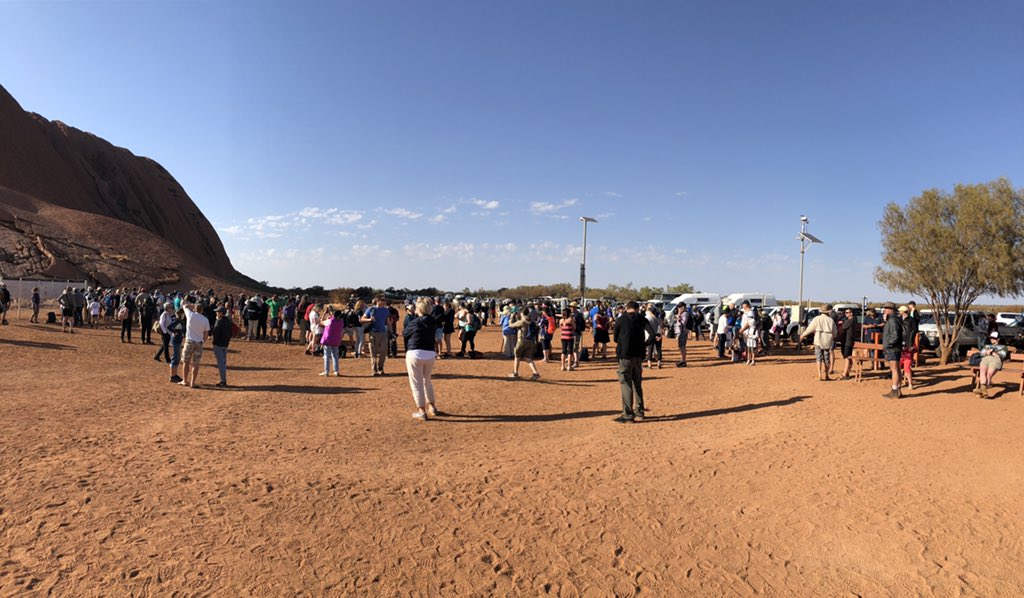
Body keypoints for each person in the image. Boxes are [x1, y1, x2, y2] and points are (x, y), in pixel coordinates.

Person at [403, 297, 440, 420]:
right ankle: (432, 406)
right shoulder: (433, 321)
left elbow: (405, 333)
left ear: (418, 309)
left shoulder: (415, 321)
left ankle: (421, 410)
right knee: (427, 380)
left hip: (415, 352)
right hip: (430, 353)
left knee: (416, 383)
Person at [613, 301, 647, 423]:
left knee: (626, 384)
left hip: (625, 357)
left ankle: (627, 414)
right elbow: (653, 334)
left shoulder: (620, 320)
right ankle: (639, 411)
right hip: (638, 357)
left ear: (627, 308)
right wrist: (644, 345)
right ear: (637, 309)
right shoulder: (642, 319)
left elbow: (615, 338)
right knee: (637, 384)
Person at [801, 304, 838, 381]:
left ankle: (820, 375)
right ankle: (827, 375)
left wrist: (803, 335)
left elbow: (810, 328)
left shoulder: (817, 319)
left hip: (818, 340)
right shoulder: (831, 320)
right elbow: (835, 333)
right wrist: (833, 337)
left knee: (818, 358)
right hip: (827, 341)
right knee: (826, 359)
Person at [181, 301, 210, 388]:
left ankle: (185, 380)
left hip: (189, 341)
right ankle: (192, 383)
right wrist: (202, 341)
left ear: (195, 309)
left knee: (186, 362)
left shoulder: (190, 315)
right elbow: (206, 334)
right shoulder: (205, 319)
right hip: (199, 342)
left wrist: (192, 305)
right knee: (196, 363)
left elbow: (184, 305)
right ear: (202, 310)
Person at [508, 309, 541, 380]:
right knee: (527, 358)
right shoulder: (531, 322)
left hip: (521, 341)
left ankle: (515, 373)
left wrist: (511, 318)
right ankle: (535, 373)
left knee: (517, 357)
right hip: (530, 341)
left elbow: (511, 325)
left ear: (522, 313)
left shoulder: (522, 322)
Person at [361, 297, 391, 376]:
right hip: (373, 333)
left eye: (385, 300)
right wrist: (369, 319)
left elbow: (387, 321)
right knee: (373, 352)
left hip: (383, 332)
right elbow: (362, 319)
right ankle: (374, 370)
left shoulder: (386, 310)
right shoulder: (371, 309)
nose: (384, 302)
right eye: (383, 300)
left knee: (384, 350)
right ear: (378, 301)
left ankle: (381, 368)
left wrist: (391, 331)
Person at [880, 302, 904, 399]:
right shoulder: (893, 320)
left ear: (891, 310)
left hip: (893, 348)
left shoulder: (893, 320)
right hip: (894, 347)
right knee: (896, 369)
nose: (885, 310)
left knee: (894, 369)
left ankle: (895, 390)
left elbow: (895, 335)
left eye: (886, 308)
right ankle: (897, 389)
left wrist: (889, 344)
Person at [976, 331, 1009, 398]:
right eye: (991, 338)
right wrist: (988, 353)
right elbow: (982, 353)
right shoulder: (987, 346)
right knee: (982, 372)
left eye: (994, 338)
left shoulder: (1003, 347)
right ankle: (984, 391)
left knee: (989, 374)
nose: (992, 339)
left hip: (995, 361)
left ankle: (982, 390)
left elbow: (1002, 355)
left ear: (998, 339)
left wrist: (991, 353)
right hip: (986, 359)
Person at [211, 306, 232, 387]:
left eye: (218, 312)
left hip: (218, 345)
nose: (216, 313)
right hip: (225, 344)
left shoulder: (218, 321)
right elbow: (230, 333)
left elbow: (216, 333)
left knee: (221, 364)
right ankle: (223, 380)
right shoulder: (228, 320)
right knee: (223, 362)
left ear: (221, 313)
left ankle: (223, 381)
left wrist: (214, 342)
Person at [320, 309, 345, 377]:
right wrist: (330, 316)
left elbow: (321, 322)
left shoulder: (329, 321)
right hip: (336, 340)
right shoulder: (341, 321)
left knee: (327, 356)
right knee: (335, 356)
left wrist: (324, 315)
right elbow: (335, 319)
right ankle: (336, 371)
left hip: (328, 340)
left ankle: (326, 371)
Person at [898, 305, 916, 391]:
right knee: (897, 366)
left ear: (903, 312)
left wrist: (910, 344)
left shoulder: (911, 320)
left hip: (908, 346)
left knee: (906, 367)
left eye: (900, 311)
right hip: (900, 346)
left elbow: (913, 332)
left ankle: (910, 384)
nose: (899, 312)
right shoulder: (899, 320)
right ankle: (898, 383)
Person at [838, 307, 859, 380]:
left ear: (851, 313)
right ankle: (847, 373)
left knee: (847, 357)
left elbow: (842, 327)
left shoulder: (850, 320)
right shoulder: (853, 320)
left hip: (848, 341)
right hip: (848, 340)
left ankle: (845, 374)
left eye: (847, 312)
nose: (845, 314)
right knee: (848, 357)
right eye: (845, 312)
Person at [167, 308, 185, 383]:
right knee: (175, 358)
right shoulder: (176, 320)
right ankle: (172, 376)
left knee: (177, 358)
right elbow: (169, 327)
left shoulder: (179, 321)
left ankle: (174, 374)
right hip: (176, 341)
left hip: (178, 340)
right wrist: (175, 332)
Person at [739, 302, 758, 366]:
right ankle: (748, 359)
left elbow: (749, 323)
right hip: (746, 332)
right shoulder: (745, 312)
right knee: (748, 347)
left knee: (752, 347)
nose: (743, 307)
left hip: (750, 332)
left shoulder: (750, 313)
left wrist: (743, 329)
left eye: (744, 306)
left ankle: (752, 360)